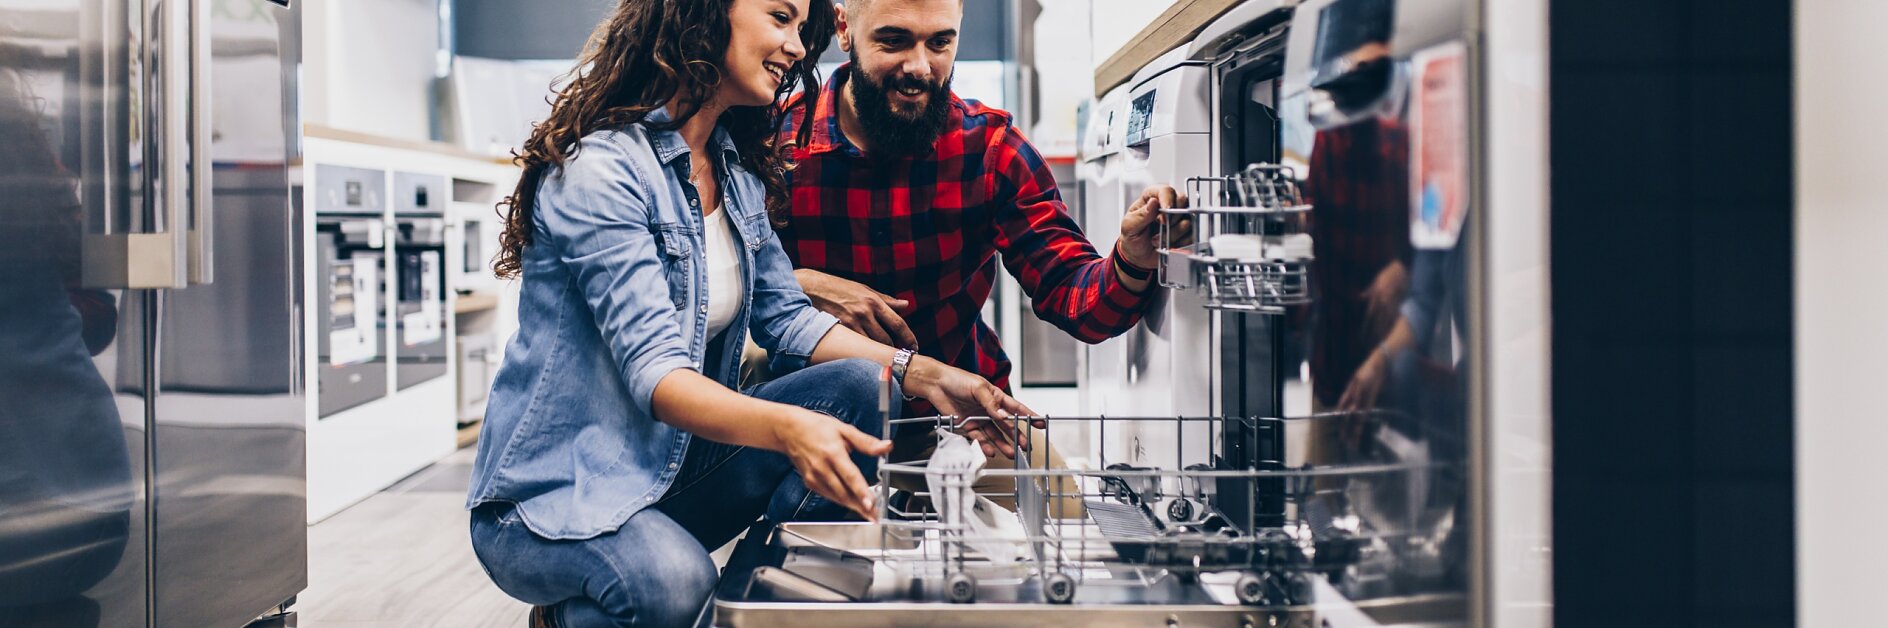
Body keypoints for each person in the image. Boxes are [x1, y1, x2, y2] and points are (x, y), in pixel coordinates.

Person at [462, 0, 1031, 625]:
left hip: (667, 467)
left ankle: (768, 598)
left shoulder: (732, 171)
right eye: (779, 17)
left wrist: (928, 374)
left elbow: (788, 316)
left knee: (864, 387)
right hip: (552, 497)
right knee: (675, 583)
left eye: (801, 28)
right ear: (703, 15)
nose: (796, 46)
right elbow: (658, 376)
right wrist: (787, 428)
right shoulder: (602, 169)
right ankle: (587, 609)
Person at [757, 0, 1185, 507]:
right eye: (893, 40)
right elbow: (716, 287)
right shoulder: (773, 142)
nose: (919, 68)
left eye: (939, 42)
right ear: (846, 29)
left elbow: (1081, 303)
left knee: (1067, 525)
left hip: (963, 424)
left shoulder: (990, 150)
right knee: (801, 570)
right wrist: (803, 284)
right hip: (810, 421)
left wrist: (1132, 257)